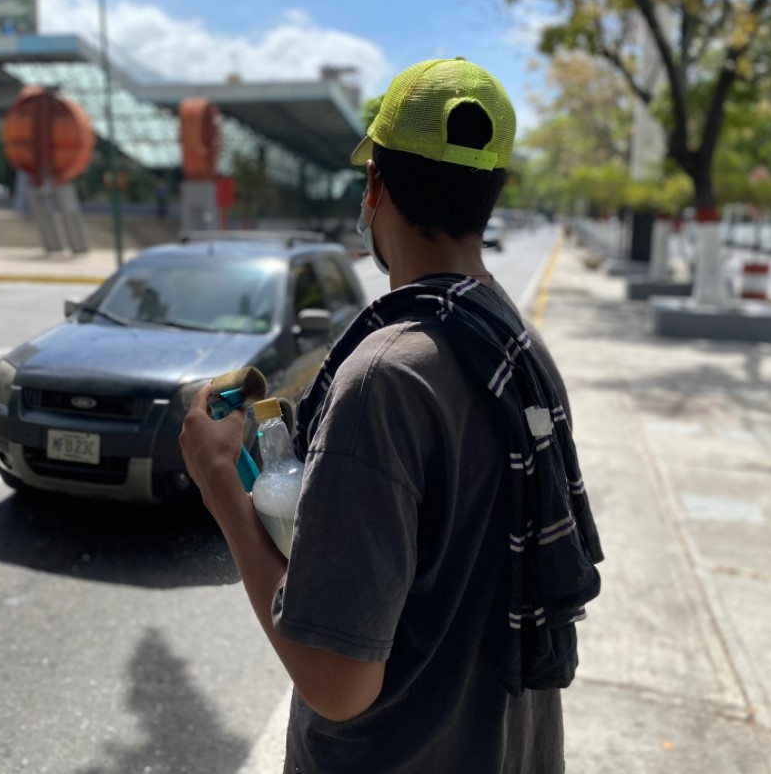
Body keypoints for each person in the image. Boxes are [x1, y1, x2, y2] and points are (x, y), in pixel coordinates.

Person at [180, 58, 603, 773]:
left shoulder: (382, 380)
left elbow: (336, 681)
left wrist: (220, 481)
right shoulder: (517, 345)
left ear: (374, 185)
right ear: (490, 195)